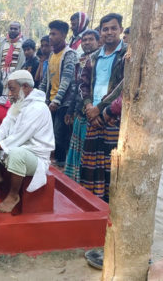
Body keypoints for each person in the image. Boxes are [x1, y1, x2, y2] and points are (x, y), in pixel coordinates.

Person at [0, 70, 54, 213]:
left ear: (25, 86)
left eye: (12, 89)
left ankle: (13, 195)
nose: (9, 94)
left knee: (16, 154)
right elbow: (2, 131)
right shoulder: (18, 104)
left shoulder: (37, 108)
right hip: (16, 146)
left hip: (35, 157)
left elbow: (15, 140)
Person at [79, 14, 127, 270]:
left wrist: (103, 111)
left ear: (120, 30)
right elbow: (83, 85)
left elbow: (124, 88)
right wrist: (89, 107)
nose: (109, 33)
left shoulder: (127, 55)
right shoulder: (93, 58)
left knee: (110, 174)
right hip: (93, 119)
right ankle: (95, 223)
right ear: (100, 32)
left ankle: (111, 229)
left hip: (113, 120)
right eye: (105, 29)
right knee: (91, 172)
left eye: (113, 29)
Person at [39, 20, 77, 169]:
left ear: (63, 35)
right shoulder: (52, 55)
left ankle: (61, 165)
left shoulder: (69, 54)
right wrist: (39, 97)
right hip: (50, 101)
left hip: (64, 102)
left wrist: (57, 100)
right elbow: (45, 81)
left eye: (54, 34)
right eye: (50, 33)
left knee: (59, 135)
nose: (50, 37)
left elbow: (67, 80)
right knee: (50, 134)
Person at [64, 30, 100, 182]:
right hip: (80, 112)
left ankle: (87, 182)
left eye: (90, 39)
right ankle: (75, 180)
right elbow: (75, 87)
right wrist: (70, 110)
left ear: (98, 41)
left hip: (95, 112)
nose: (86, 42)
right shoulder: (79, 62)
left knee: (89, 151)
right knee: (77, 150)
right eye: (84, 40)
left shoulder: (99, 59)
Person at [0, 21, 26, 87]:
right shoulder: (3, 41)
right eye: (11, 28)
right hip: (2, 76)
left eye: (15, 29)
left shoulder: (23, 43)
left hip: (16, 78)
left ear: (20, 30)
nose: (13, 30)